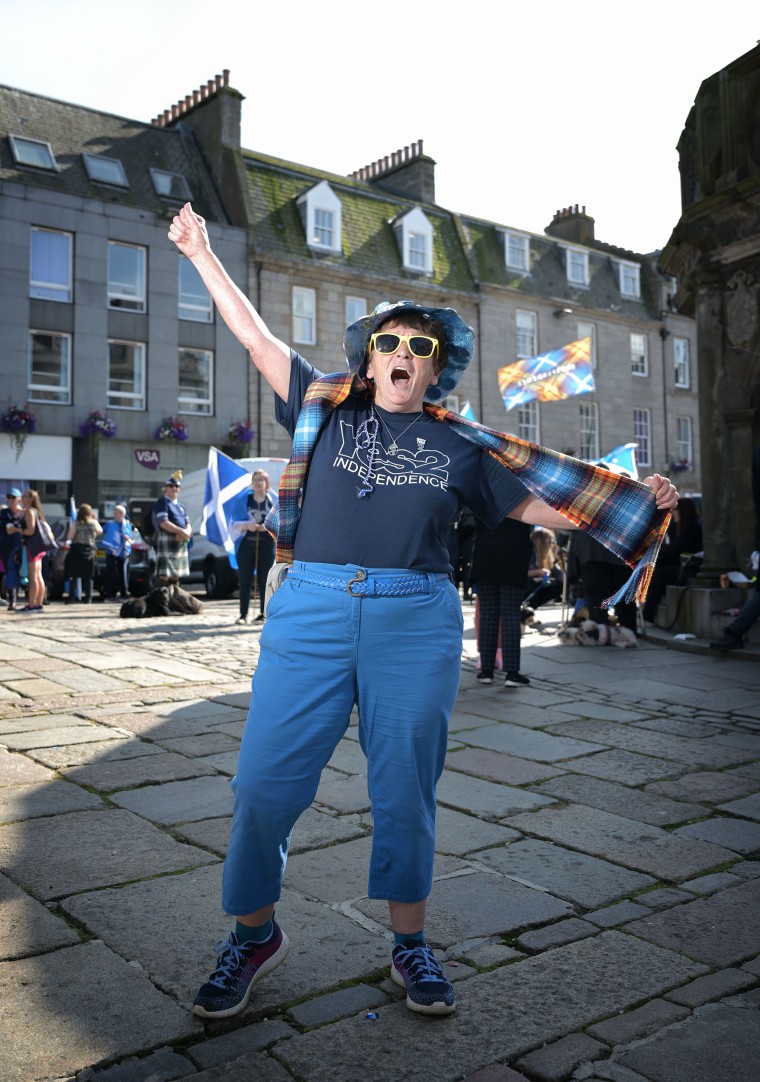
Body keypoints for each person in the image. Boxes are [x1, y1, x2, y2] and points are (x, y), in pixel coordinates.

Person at [168, 202, 679, 1020]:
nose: (403, 354)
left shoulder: (461, 447)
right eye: (389, 343)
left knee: (405, 790)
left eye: (420, 347)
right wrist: (200, 252)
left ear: (435, 370)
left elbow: (548, 506)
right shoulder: (322, 407)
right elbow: (256, 335)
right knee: (264, 783)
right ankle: (254, 934)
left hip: (415, 619)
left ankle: (410, 944)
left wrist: (637, 499)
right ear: (368, 361)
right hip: (312, 611)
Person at [470, 516, 533, 686]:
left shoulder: (484, 490)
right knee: (511, 615)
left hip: (485, 555)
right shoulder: (522, 490)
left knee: (488, 615)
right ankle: (512, 673)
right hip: (513, 557)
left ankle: (486, 671)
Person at [642, 496, 703, 624]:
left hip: (688, 568)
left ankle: (648, 616)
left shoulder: (692, 527)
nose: (672, 513)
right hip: (681, 565)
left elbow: (676, 549)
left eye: (674, 510)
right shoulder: (680, 527)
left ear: (682, 511)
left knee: (658, 575)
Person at [233, 470, 277, 624]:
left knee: (265, 579)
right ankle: (243, 614)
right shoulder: (244, 500)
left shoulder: (273, 501)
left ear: (266, 483)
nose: (258, 483)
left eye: (261, 480)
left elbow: (281, 522)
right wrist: (247, 525)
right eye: (255, 480)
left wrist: (268, 527)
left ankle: (263, 614)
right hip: (246, 544)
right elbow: (233, 523)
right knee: (245, 579)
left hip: (266, 544)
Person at [151, 473, 192, 589]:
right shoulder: (163, 502)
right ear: (166, 488)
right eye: (171, 486)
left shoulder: (181, 506)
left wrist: (186, 533)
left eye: (177, 486)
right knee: (164, 575)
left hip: (180, 542)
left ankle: (173, 601)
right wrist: (181, 532)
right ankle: (155, 600)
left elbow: (188, 523)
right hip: (167, 539)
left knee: (175, 576)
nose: (174, 488)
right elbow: (163, 523)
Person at [18, 489, 52, 613]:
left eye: (25, 496)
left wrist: (17, 530)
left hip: (31, 547)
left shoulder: (29, 512)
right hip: (38, 547)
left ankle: (32, 604)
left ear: (31, 499)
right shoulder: (36, 511)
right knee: (38, 576)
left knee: (33, 577)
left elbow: (30, 531)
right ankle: (38, 603)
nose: (22, 498)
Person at [64, 503, 103, 604]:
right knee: (89, 576)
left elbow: (70, 536)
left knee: (74, 575)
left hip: (77, 550)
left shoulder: (76, 523)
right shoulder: (93, 523)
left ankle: (72, 597)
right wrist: (94, 519)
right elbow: (100, 531)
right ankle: (88, 598)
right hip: (89, 550)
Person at [524, 526, 565, 610]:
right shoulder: (530, 552)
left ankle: (530, 608)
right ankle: (527, 609)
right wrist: (539, 572)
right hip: (527, 584)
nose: (550, 546)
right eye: (548, 543)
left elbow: (556, 572)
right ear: (538, 541)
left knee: (560, 586)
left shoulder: (547, 555)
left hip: (539, 583)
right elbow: (522, 572)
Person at [103, 505, 133, 602]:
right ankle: (110, 595)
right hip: (111, 551)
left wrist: (127, 538)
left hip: (123, 552)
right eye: (114, 512)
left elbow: (130, 537)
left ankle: (124, 595)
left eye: (117, 512)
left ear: (122, 514)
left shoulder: (127, 524)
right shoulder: (110, 523)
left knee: (123, 574)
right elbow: (101, 531)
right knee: (109, 573)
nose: (114, 514)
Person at [0, 489, 25, 611]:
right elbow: (7, 529)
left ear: (19, 499)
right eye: (9, 497)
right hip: (7, 546)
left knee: (24, 572)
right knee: (10, 571)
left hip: (22, 545)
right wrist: (16, 527)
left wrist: (15, 527)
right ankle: (12, 600)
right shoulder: (4, 513)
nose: (10, 499)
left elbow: (27, 528)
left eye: (13, 497)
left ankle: (33, 599)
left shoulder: (24, 513)